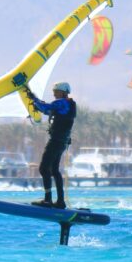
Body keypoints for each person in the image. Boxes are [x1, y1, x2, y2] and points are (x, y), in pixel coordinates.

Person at [26, 81, 77, 209]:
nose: (54, 94)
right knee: (54, 170)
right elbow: (49, 111)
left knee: (44, 169)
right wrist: (37, 103)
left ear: (63, 92)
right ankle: (60, 202)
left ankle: (48, 200)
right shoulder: (67, 105)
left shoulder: (62, 103)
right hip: (62, 142)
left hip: (56, 141)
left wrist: (34, 99)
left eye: (55, 92)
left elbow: (47, 108)